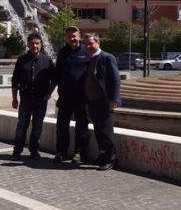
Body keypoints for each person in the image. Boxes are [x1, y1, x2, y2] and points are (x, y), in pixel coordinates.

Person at [10, 33, 55, 160]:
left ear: (41, 45)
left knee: (38, 126)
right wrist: (14, 98)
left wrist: (49, 94)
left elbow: (54, 80)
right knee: (22, 125)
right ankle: (17, 150)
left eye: (37, 43)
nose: (34, 46)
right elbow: (15, 81)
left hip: (41, 100)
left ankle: (34, 150)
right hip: (25, 100)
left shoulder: (47, 60)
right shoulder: (21, 60)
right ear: (28, 44)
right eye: (32, 43)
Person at [83, 33, 121, 171]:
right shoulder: (90, 59)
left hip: (105, 102)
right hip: (93, 102)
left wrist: (114, 100)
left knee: (106, 131)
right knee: (98, 131)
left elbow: (115, 79)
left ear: (98, 43)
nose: (88, 46)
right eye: (86, 44)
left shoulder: (106, 57)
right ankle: (103, 156)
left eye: (91, 43)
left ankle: (111, 159)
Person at [53, 26, 90, 164]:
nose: (72, 38)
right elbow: (58, 73)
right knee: (62, 125)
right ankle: (61, 152)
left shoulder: (87, 50)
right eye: (69, 36)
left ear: (80, 35)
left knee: (82, 125)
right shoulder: (63, 52)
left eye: (74, 36)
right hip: (65, 96)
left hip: (82, 97)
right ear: (66, 38)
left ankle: (79, 154)